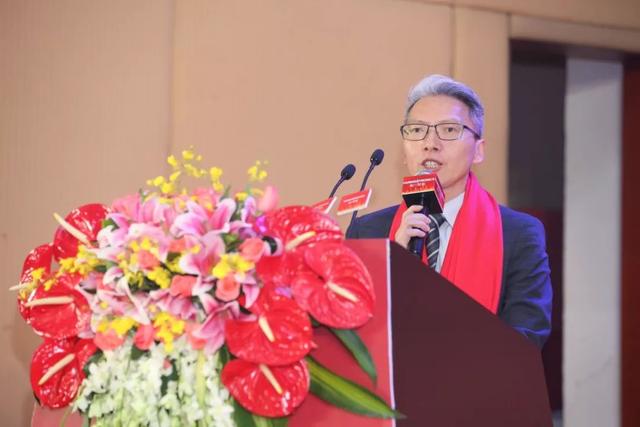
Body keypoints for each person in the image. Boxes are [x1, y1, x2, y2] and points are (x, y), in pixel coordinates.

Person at [346, 74, 552, 348]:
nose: (430, 143)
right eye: (417, 130)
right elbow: (349, 334)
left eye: (449, 130)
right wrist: (394, 263)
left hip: (479, 375)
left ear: (478, 150)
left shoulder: (518, 234)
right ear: (404, 152)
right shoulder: (367, 232)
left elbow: (526, 339)